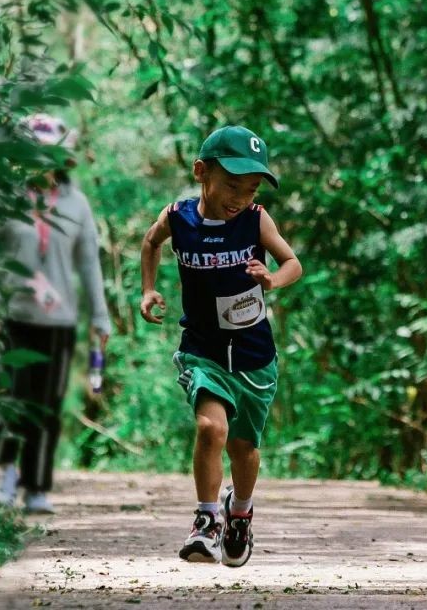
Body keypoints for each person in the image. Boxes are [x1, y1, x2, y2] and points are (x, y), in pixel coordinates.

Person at [139, 125, 302, 567]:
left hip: (253, 354)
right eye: (231, 185)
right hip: (203, 348)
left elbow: (293, 263)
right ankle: (206, 519)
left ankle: (240, 512)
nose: (240, 198)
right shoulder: (177, 218)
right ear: (200, 173)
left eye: (249, 189)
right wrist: (148, 290)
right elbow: (151, 242)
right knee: (211, 429)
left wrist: (272, 279)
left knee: (244, 449)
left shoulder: (255, 220)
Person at [0, 113, 112, 514]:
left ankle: (37, 486)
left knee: (46, 404)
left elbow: (90, 263)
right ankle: (6, 472)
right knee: (11, 397)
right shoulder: (7, 198)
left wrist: (100, 318)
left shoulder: (76, 204)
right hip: (12, 317)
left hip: (59, 321)